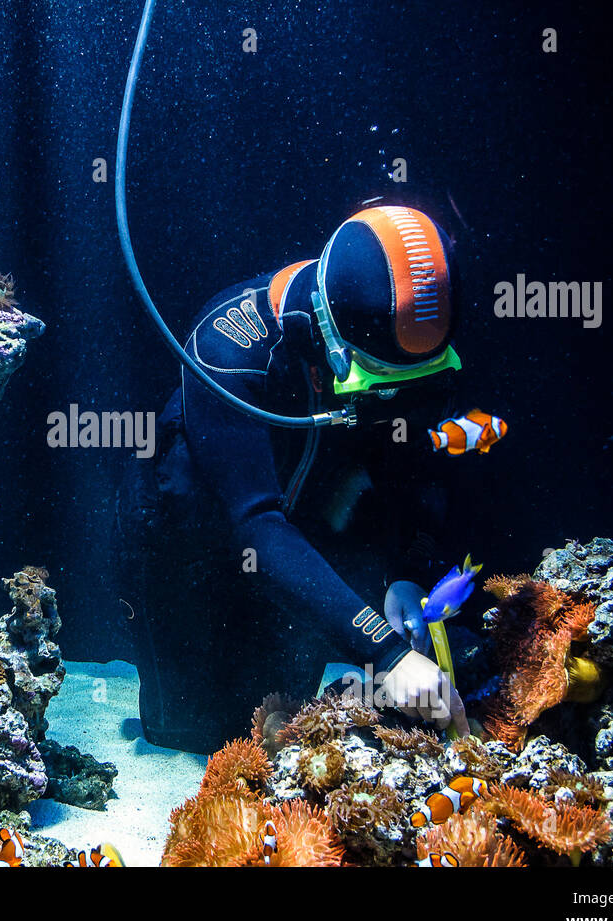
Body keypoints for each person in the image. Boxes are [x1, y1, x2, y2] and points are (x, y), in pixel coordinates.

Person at [120, 204, 472, 753]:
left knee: (285, 731)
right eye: (376, 379)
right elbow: (255, 520)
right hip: (193, 545)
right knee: (193, 736)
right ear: (330, 339)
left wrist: (407, 570)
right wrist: (384, 654)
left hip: (300, 547)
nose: (388, 395)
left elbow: (410, 458)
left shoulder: (395, 338)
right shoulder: (228, 347)